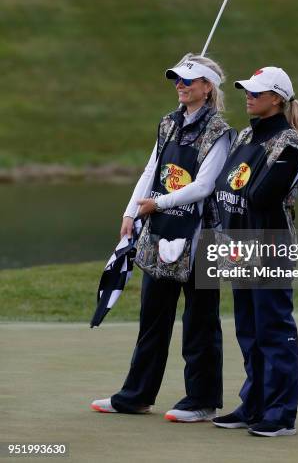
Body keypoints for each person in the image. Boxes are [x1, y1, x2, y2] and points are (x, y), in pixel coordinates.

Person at [91, 54, 234, 422]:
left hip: (201, 238)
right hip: (161, 234)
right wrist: (130, 210)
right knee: (153, 318)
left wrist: (156, 203)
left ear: (207, 88)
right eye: (177, 80)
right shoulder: (168, 123)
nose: (180, 85)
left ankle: (201, 401)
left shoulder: (219, 130)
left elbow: (203, 186)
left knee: (200, 323)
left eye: (189, 81)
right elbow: (151, 169)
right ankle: (136, 396)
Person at [212, 66, 298, 437]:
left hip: (269, 247)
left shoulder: (292, 145)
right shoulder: (244, 136)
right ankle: (253, 403)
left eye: (256, 92)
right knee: (249, 331)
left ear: (277, 99)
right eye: (247, 91)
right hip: (236, 246)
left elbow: (261, 195)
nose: (248, 96)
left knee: (273, 330)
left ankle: (281, 413)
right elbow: (225, 189)